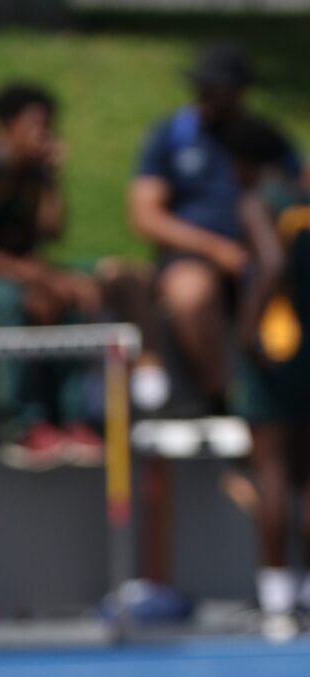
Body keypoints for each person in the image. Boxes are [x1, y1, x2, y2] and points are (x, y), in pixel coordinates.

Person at [0, 83, 107, 470]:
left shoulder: (34, 173)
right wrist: (35, 276)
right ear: (9, 126)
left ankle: (73, 416)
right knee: (7, 301)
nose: (46, 135)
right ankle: (18, 422)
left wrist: (51, 179)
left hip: (9, 260)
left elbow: (50, 231)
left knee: (75, 292)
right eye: (37, 125)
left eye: (50, 127)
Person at [129, 42, 302, 413]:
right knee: (190, 294)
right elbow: (145, 215)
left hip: (259, 251)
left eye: (215, 87)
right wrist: (215, 249)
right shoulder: (172, 135)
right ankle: (225, 397)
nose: (205, 95)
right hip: (193, 253)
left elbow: (298, 185)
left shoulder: (261, 137)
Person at [226, 114, 310, 639]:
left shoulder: (260, 200)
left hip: (278, 346)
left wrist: (249, 325)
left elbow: (272, 263)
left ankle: (277, 601)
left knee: (273, 472)